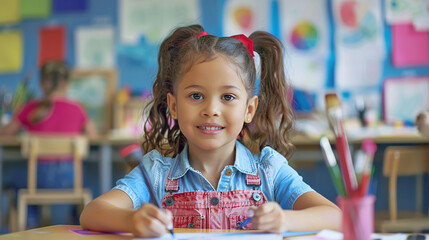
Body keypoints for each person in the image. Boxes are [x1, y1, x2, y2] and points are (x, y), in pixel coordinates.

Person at [80, 24, 341, 237]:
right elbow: (92, 213)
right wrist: (132, 219)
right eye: (196, 95)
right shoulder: (157, 172)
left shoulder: (269, 170)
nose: (211, 110)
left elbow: (335, 217)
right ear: (173, 105)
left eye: (228, 97)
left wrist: (283, 219)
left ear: (249, 109)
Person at [1, 60, 98, 227]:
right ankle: (79, 225)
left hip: (37, 178)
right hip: (71, 179)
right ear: (66, 83)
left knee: (15, 184)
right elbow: (94, 136)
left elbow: (5, 133)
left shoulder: (30, 107)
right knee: (89, 183)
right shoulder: (77, 108)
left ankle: (29, 227)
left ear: (41, 84)